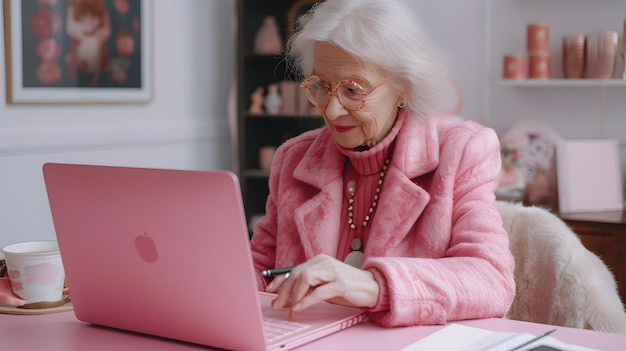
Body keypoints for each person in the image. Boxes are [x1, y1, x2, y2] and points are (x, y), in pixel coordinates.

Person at [249, 0, 516, 327]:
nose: (331, 111)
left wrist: (375, 286)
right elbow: (259, 267)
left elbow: (491, 280)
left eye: (352, 90)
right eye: (320, 86)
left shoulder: (460, 151)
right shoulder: (293, 159)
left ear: (403, 85)